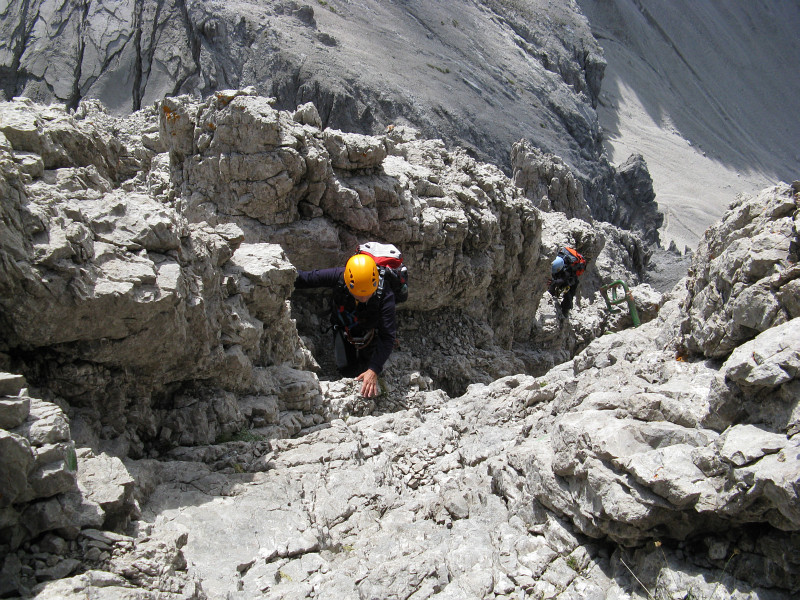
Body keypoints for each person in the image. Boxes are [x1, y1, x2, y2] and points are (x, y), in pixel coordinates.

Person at [295, 253, 397, 397]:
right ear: (348, 282)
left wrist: (374, 369)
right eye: (358, 295)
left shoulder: (385, 295)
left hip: (370, 333)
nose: (363, 298)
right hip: (343, 329)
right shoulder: (339, 276)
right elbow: (307, 278)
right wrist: (280, 277)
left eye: (368, 294)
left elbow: (387, 337)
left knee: (366, 366)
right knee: (346, 369)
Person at [548, 247, 586, 318]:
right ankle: (551, 293)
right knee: (554, 282)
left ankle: (565, 310)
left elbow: (562, 280)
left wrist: (554, 282)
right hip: (560, 270)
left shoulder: (567, 271)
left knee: (568, 292)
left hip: (570, 278)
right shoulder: (556, 262)